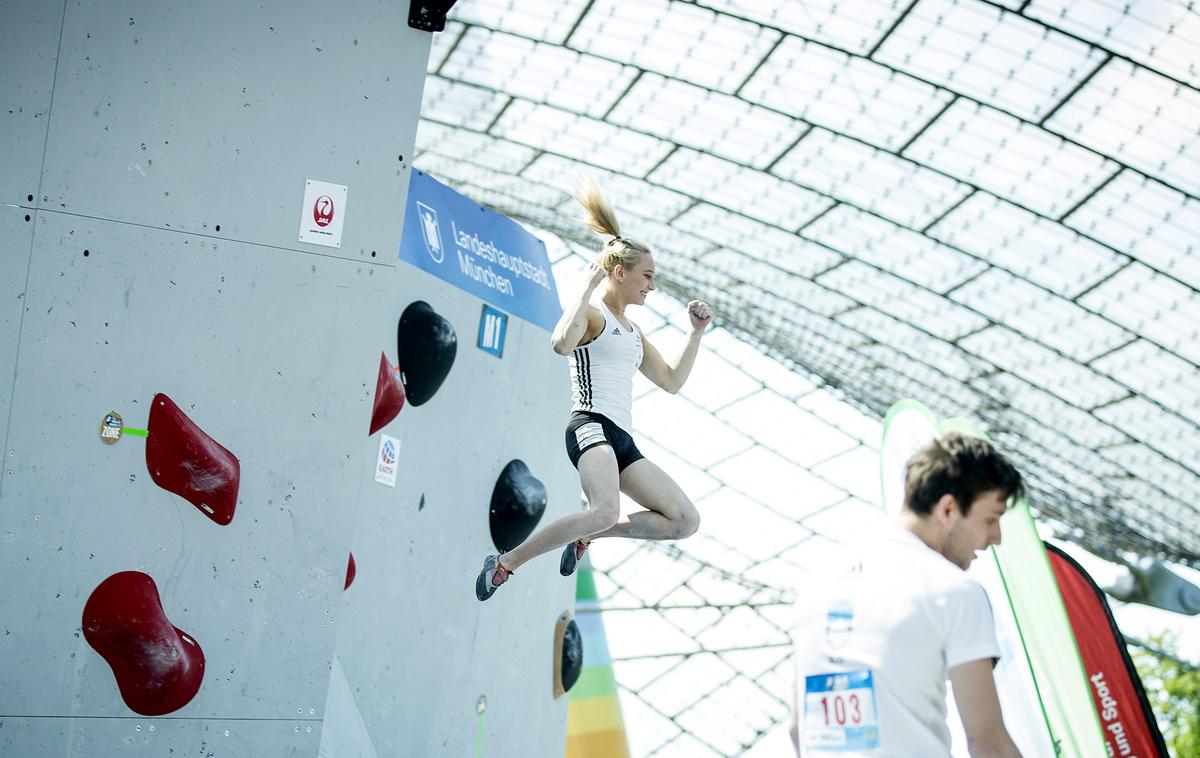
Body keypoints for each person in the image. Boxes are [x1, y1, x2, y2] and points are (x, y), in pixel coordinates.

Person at [475, 180, 712, 601]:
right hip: (590, 427)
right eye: (647, 276)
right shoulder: (594, 315)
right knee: (603, 509)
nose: (652, 286)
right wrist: (584, 288)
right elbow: (561, 344)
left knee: (683, 521)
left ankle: (592, 537)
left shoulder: (633, 331)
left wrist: (695, 333)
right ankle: (506, 563)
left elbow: (672, 382)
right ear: (619, 273)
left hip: (622, 440)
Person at [790, 432, 1025, 757]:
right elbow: (987, 741)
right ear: (948, 509)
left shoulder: (817, 583)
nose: (995, 538)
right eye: (990, 519)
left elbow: (798, 728)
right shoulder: (953, 591)